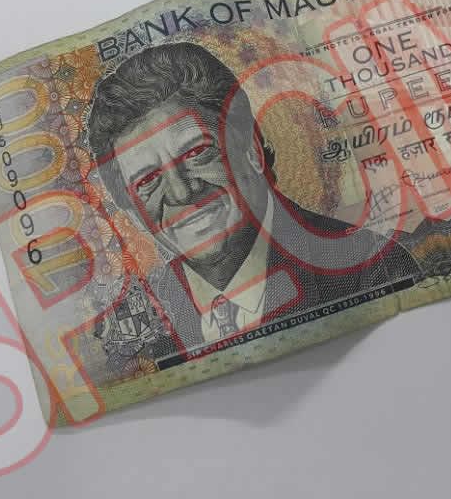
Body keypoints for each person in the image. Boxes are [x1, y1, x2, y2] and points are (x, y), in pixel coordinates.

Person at [88, 42, 419, 350]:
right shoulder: (137, 327)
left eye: (196, 152)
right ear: (133, 215)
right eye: (147, 180)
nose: (181, 192)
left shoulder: (373, 268)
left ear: (252, 151)